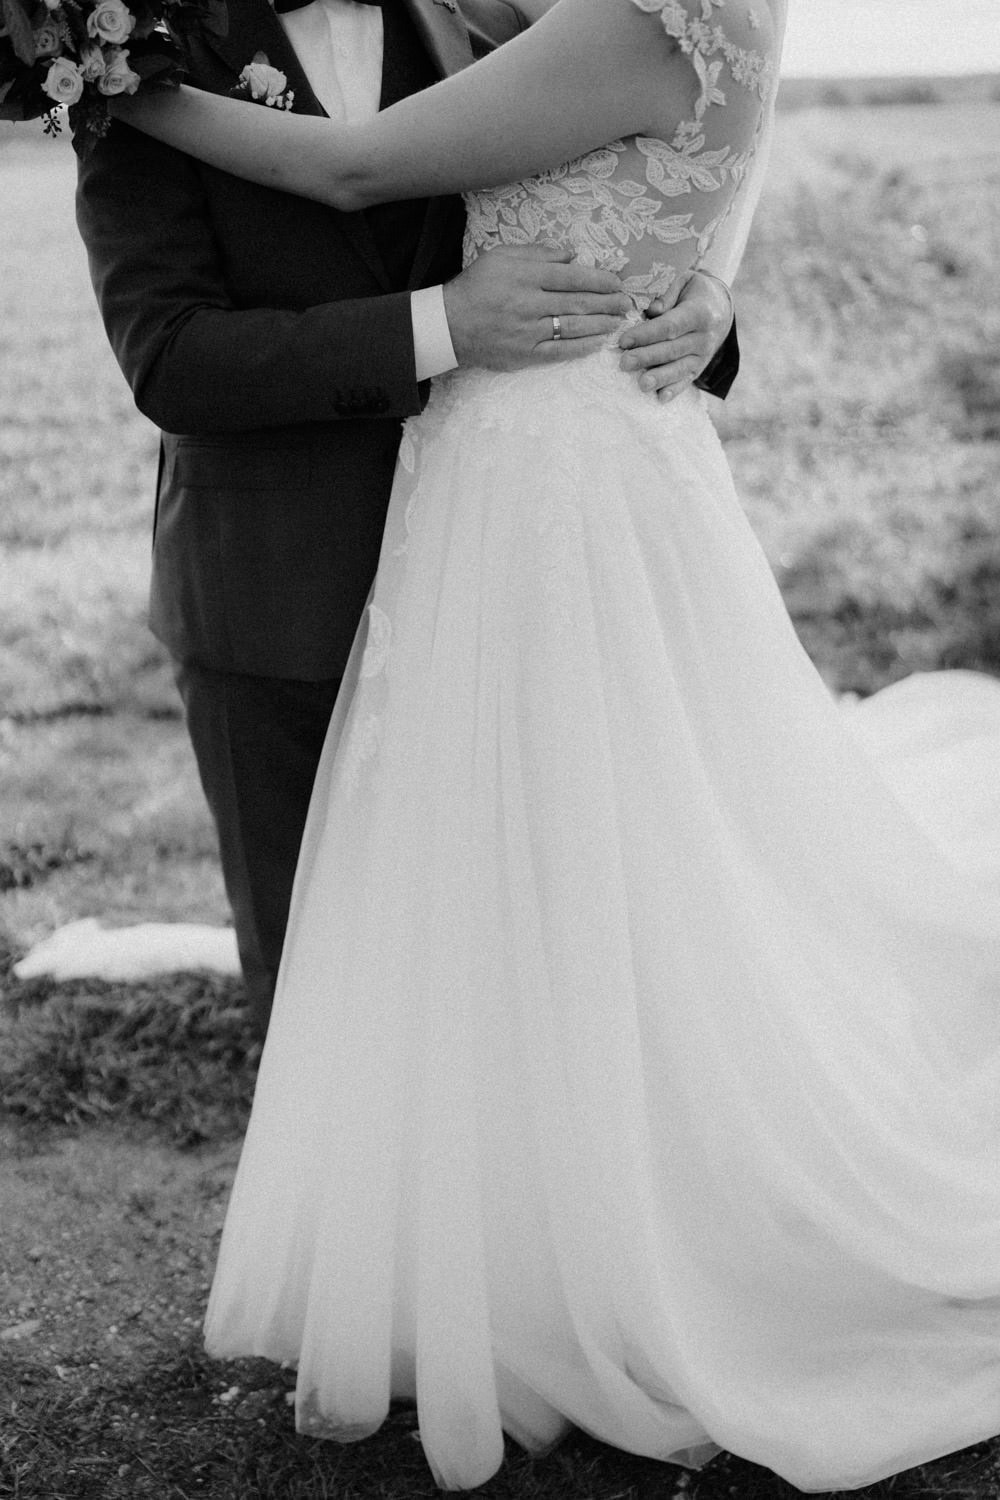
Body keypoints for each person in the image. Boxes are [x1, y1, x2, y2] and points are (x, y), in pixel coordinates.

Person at [114, 0, 1000, 1492]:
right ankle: (462, 1235)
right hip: (383, 527)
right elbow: (173, 349)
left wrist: (101, 85)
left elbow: (362, 170)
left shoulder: (633, 21)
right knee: (444, 902)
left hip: (545, 489)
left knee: (597, 864)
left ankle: (591, 1256)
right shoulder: (526, 14)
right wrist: (688, 285)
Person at [74, 0, 737, 1036]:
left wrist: (710, 309)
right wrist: (442, 325)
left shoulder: (491, 21)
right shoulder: (132, 66)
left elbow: (638, 183)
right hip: (277, 592)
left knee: (518, 954)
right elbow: (173, 360)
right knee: (316, 992)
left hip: (510, 579)